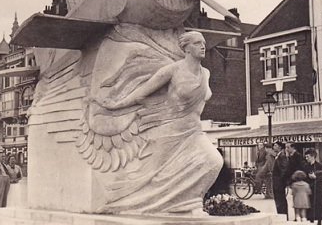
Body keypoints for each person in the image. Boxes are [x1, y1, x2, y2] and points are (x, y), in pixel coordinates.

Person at [85, 31, 224, 213]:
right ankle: (131, 206)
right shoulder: (173, 70)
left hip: (194, 131)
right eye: (197, 43)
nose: (203, 46)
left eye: (203, 43)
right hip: (170, 131)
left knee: (213, 161)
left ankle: (186, 204)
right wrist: (115, 105)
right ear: (186, 48)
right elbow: (143, 91)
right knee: (152, 176)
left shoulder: (206, 73)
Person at [303, 149, 322, 225]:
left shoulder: (320, 166)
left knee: (319, 206)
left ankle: (319, 222)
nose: (306, 158)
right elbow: (303, 177)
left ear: (313, 156)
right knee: (310, 206)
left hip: (319, 190)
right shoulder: (305, 167)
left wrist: (316, 177)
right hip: (310, 189)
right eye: (306, 157)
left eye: (307, 157)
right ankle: (311, 221)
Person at [271, 141, 292, 220]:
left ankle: (283, 217)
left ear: (280, 147)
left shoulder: (282, 156)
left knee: (280, 200)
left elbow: (284, 169)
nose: (274, 147)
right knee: (279, 200)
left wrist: (282, 181)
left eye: (275, 145)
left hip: (279, 182)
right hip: (278, 182)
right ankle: (282, 216)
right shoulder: (279, 155)